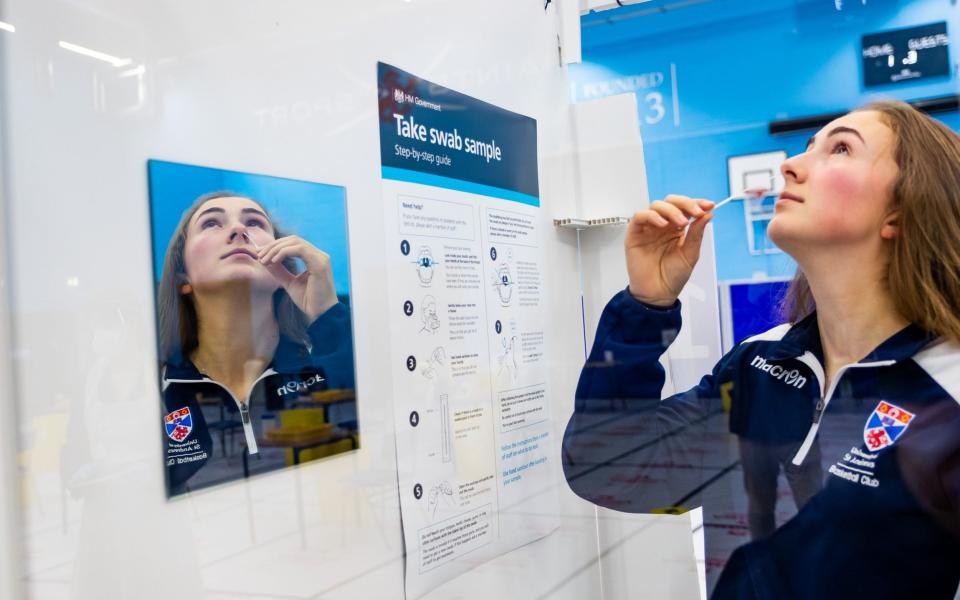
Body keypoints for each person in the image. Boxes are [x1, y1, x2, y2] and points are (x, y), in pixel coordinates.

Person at [561, 100, 960, 599]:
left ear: (901, 210)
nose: (790, 164)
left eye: (839, 149)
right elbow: (607, 468)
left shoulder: (949, 391)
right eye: (808, 147)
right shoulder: (760, 365)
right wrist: (646, 304)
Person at [157, 191, 356, 496]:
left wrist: (327, 313)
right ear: (182, 275)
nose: (239, 230)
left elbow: (376, 413)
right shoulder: (159, 387)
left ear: (282, 268)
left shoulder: (324, 363)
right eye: (212, 223)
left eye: (255, 222)